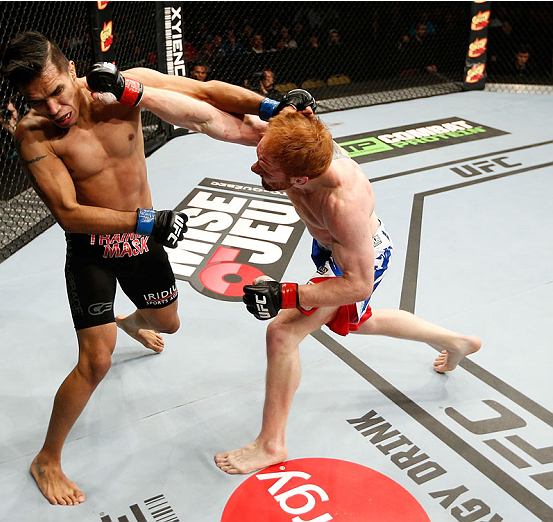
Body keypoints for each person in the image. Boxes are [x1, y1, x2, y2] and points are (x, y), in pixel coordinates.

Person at [90, 73, 482, 476]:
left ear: (300, 180)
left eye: (266, 167)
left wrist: (288, 295)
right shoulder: (289, 150)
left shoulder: (343, 202)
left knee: (283, 332)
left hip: (358, 259)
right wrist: (134, 93)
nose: (254, 165)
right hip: (332, 248)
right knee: (361, 322)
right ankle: (457, 342)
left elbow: (358, 282)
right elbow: (207, 119)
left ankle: (271, 443)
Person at [0, 31, 268, 506]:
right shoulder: (32, 134)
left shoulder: (125, 88)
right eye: (37, 101)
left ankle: (129, 320)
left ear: (70, 71)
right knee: (96, 361)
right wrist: (146, 222)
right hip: (93, 249)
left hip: (143, 241)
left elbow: (204, 94)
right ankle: (47, 458)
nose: (54, 108)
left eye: (57, 91)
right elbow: (69, 212)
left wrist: (270, 108)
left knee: (170, 323)